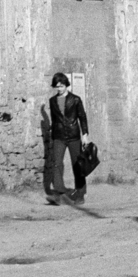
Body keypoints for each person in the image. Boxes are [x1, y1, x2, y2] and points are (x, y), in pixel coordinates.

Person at [44, 73, 91, 205]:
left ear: (66, 85)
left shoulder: (76, 99)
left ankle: (80, 194)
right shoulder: (52, 101)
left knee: (78, 165)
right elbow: (54, 120)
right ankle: (59, 193)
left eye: (62, 86)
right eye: (57, 87)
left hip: (74, 136)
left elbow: (82, 117)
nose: (59, 89)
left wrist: (85, 135)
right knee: (57, 163)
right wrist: (52, 136)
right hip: (59, 136)